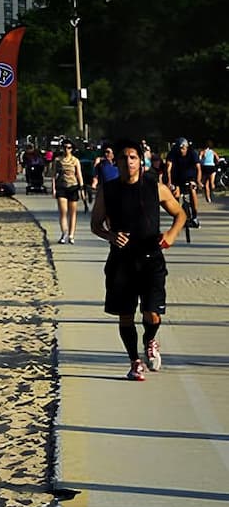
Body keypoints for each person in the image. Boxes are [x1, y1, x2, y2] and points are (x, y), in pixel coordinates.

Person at [90, 136, 186, 380]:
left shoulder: (155, 187)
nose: (128, 162)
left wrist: (171, 235)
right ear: (116, 162)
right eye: (123, 158)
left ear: (140, 162)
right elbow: (95, 225)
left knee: (152, 314)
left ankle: (150, 339)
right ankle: (134, 361)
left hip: (151, 258)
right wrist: (111, 236)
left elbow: (180, 214)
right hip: (122, 261)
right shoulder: (108, 190)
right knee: (126, 314)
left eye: (133, 157)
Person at [52, 139, 84, 244]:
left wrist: (81, 188)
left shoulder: (75, 161)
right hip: (61, 187)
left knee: (73, 212)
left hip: (73, 187)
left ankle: (71, 234)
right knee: (63, 212)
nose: (67, 150)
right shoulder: (58, 160)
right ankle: (64, 233)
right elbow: (53, 175)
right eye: (65, 147)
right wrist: (53, 189)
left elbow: (79, 174)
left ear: (72, 149)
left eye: (69, 148)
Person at [167, 138, 200, 229]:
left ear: (187, 147)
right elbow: (168, 168)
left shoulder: (192, 153)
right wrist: (169, 183)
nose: (182, 150)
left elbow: (198, 168)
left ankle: (195, 216)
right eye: (180, 148)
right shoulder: (173, 153)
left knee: (192, 190)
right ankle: (177, 216)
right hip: (177, 178)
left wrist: (198, 181)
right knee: (175, 194)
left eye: (183, 148)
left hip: (190, 177)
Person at [200, 140, 217, 204]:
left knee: (206, 184)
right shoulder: (213, 152)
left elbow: (200, 159)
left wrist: (202, 162)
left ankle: (208, 198)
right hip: (212, 167)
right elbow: (217, 159)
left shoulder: (203, 152)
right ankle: (213, 192)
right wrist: (215, 163)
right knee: (212, 182)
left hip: (205, 167)